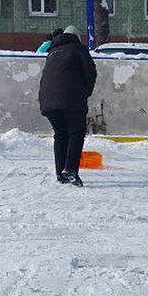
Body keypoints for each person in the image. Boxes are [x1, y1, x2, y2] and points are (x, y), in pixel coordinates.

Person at [38, 25, 96, 187]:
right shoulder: (78, 49)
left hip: (47, 100)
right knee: (76, 133)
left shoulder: (52, 52)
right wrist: (85, 93)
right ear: (77, 38)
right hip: (71, 98)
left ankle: (60, 172)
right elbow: (90, 72)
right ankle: (70, 170)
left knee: (61, 134)